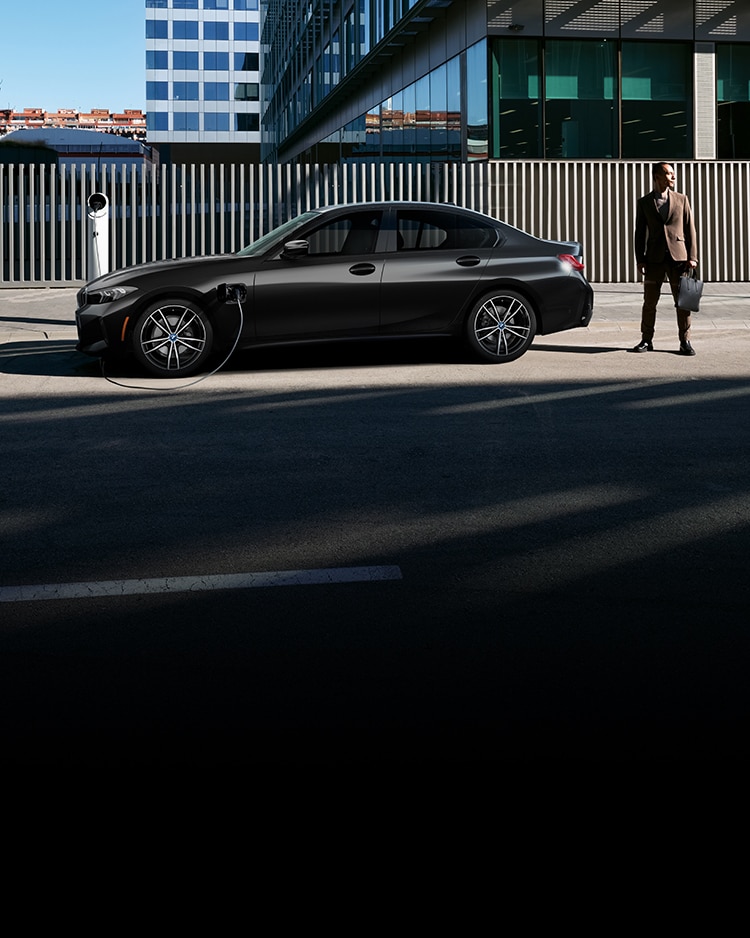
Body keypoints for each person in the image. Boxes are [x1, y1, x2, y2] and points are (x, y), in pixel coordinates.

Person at [633, 161, 698, 355]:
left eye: (673, 173)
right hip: (653, 259)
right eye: (669, 174)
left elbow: (690, 228)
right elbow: (639, 233)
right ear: (657, 177)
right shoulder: (644, 203)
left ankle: (685, 342)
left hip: (679, 259)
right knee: (650, 302)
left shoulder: (681, 199)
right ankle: (646, 340)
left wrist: (692, 256)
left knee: (683, 303)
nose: (673, 177)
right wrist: (640, 258)